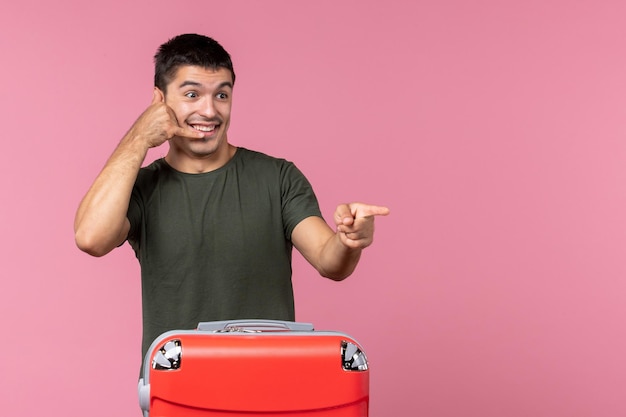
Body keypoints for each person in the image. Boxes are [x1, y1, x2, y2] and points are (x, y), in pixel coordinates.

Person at [74, 33, 389, 365]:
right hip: (177, 391)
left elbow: (329, 260)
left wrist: (350, 240)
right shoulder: (142, 187)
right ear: (159, 100)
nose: (209, 111)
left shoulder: (278, 177)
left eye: (221, 95)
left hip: (267, 387)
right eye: (192, 94)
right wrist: (140, 136)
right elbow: (91, 238)